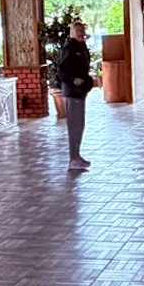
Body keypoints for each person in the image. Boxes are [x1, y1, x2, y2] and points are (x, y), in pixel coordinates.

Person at [58, 16, 95, 171]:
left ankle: (77, 156)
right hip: (73, 93)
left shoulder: (81, 45)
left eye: (83, 31)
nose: (81, 33)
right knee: (74, 126)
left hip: (80, 92)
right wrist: (74, 80)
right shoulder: (69, 47)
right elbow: (62, 71)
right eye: (78, 31)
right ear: (72, 32)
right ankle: (73, 159)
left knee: (79, 125)